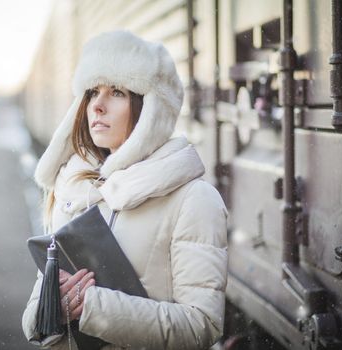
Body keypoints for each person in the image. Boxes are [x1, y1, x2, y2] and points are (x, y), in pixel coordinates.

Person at [22, 30, 228, 350]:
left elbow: (201, 326)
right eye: (93, 92)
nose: (97, 106)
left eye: (117, 92)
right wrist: (54, 310)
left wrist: (90, 307)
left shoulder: (193, 199)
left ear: (150, 109)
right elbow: (36, 314)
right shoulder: (76, 187)